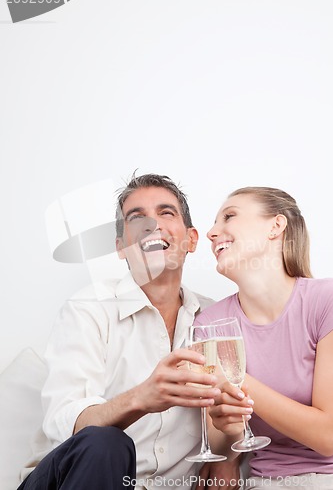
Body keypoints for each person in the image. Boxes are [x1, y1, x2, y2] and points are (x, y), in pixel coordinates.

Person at [18, 173, 240, 490]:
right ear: (122, 247)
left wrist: (227, 459)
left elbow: (231, 413)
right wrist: (141, 398)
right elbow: (63, 423)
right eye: (137, 218)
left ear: (191, 239)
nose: (152, 225)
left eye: (166, 213)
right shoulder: (88, 308)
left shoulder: (217, 320)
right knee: (104, 442)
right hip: (66, 480)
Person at [194, 186, 333, 490]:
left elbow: (328, 437)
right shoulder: (208, 325)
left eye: (229, 216)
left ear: (276, 226)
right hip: (264, 481)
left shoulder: (326, 301)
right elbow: (219, 445)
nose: (211, 233)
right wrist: (228, 432)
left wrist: (236, 379)